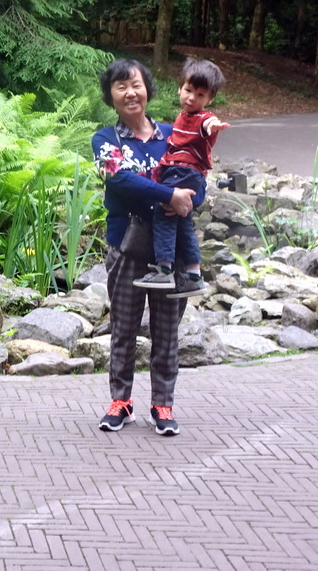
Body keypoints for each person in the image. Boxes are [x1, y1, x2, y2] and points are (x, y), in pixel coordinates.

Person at [92, 58, 196, 436]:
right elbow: (120, 181)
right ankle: (120, 402)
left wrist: (188, 197)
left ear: (147, 89)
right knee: (123, 328)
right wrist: (170, 193)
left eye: (135, 84)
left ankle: (162, 405)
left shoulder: (174, 134)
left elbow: (196, 176)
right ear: (112, 97)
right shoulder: (105, 140)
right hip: (126, 247)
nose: (129, 92)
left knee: (167, 332)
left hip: (171, 253)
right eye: (120, 87)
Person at [134, 58, 228, 298]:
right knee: (183, 220)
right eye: (188, 90)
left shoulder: (201, 118)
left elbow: (207, 123)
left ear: (210, 99)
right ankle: (194, 275)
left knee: (164, 212)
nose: (191, 98)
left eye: (200, 94)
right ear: (179, 88)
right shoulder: (182, 116)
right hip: (190, 175)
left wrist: (213, 126)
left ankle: (164, 269)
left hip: (182, 172)